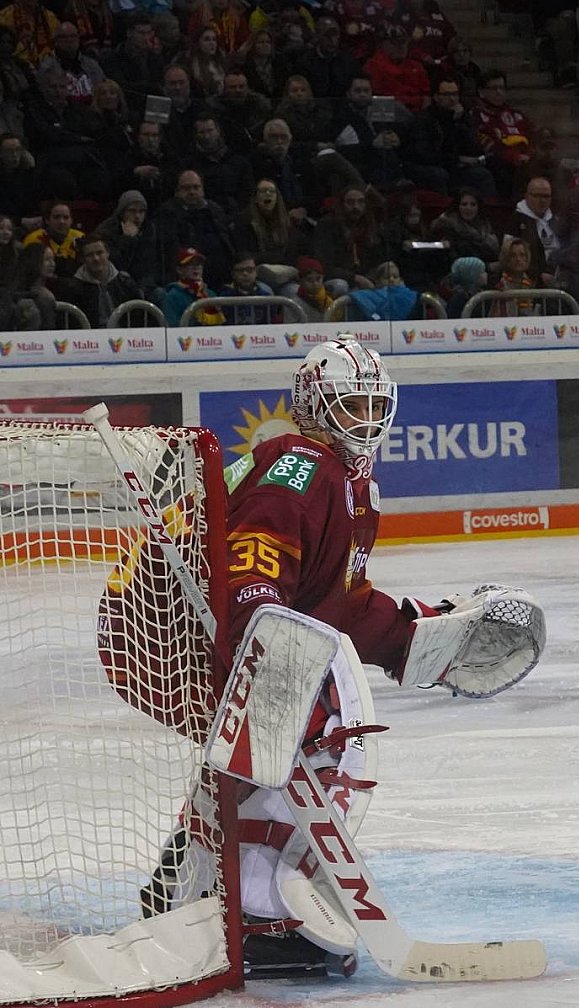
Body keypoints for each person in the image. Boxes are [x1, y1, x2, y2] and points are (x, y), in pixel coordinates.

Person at [103, 338, 544, 978]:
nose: (366, 418)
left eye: (375, 405)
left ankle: (182, 886)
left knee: (267, 739)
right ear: (313, 404)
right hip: (162, 631)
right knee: (314, 736)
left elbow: (340, 603)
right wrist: (268, 662)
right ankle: (254, 919)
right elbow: (254, 575)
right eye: (351, 404)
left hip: (178, 627)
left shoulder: (348, 481)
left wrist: (415, 639)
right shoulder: (299, 468)